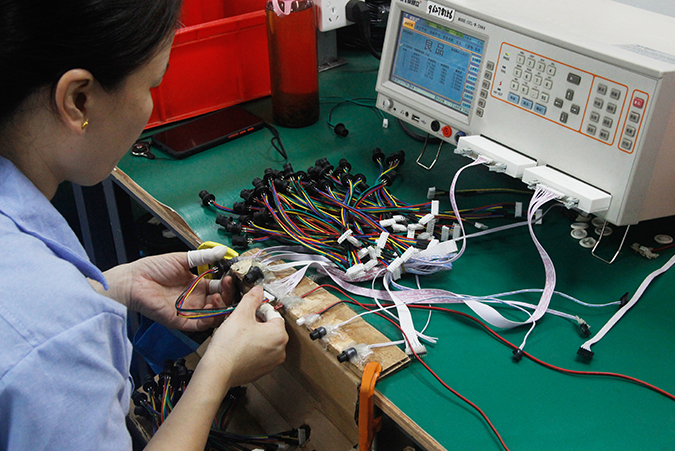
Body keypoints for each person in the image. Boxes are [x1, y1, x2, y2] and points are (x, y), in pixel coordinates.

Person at [0, 1, 288, 450]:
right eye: (152, 84)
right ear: (78, 100)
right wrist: (219, 369)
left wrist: (118, 286)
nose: (151, 108)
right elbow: (43, 332)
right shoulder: (56, 342)